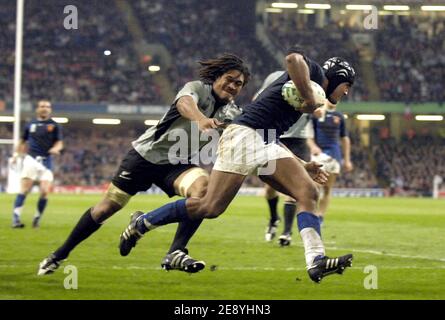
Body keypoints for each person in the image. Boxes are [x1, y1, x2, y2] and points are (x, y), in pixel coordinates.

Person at [119, 49, 357, 283]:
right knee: (209, 207)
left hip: (266, 138)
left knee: (308, 192)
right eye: (347, 84)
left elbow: (271, 136)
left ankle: (316, 259)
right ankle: (141, 223)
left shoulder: (311, 88)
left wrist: (303, 164)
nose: (346, 91)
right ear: (337, 76)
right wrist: (309, 98)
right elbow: (293, 58)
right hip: (244, 135)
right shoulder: (313, 71)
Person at [37, 54, 251, 275]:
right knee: (105, 209)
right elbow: (184, 103)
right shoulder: (197, 88)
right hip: (144, 157)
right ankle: (58, 255)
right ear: (217, 76)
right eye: (230, 78)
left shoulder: (233, 113)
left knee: (203, 193)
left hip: (176, 164)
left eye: (239, 84)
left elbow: (245, 133)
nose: (233, 86)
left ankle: (176, 251)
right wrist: (200, 119)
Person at [254, 70, 316, 246]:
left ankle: (287, 232)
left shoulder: (311, 81)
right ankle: (274, 218)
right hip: (276, 136)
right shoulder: (274, 77)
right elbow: (257, 98)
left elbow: (319, 103)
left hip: (299, 139)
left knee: (296, 188)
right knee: (269, 190)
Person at [11, 100, 63, 228]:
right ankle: (16, 219)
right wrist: (16, 155)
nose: (44, 108)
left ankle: (36, 219)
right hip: (31, 159)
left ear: (50, 110)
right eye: (42, 106)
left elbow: (59, 142)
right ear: (37, 109)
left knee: (45, 191)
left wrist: (56, 149)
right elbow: (22, 141)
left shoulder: (54, 125)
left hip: (47, 161)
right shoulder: (30, 124)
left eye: (47, 107)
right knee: (25, 189)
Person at [307, 99, 353, 223]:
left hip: (334, 155)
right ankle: (312, 212)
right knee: (315, 185)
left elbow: (345, 139)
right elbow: (309, 136)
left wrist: (347, 160)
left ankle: (320, 216)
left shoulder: (340, 116)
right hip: (318, 154)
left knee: (327, 188)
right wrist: (313, 147)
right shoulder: (317, 114)